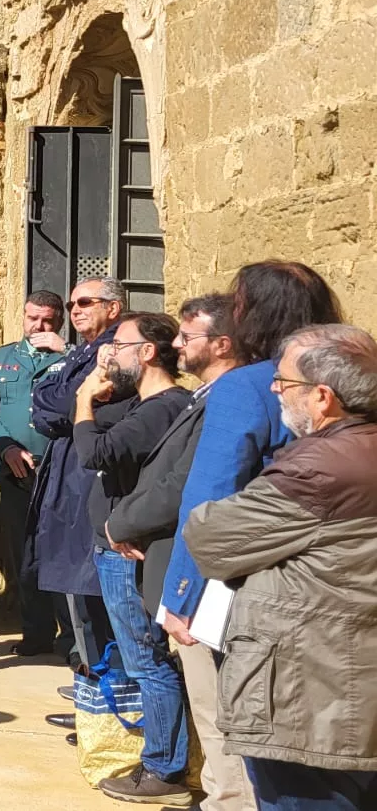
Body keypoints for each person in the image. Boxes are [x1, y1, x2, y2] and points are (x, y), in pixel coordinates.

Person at [162, 263, 339, 805]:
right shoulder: (349, 376)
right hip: (342, 587)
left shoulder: (247, 385)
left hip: (255, 588)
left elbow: (209, 499)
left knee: (235, 731)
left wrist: (180, 596)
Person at [183, 324, 377, 811]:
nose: (274, 390)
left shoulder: (317, 468)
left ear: (323, 397)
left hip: (309, 692)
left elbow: (210, 537)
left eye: (285, 383)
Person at [103, 295, 254, 811]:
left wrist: (119, 522)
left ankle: (227, 799)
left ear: (223, 344)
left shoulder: (227, 399)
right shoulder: (206, 395)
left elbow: (184, 487)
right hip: (186, 573)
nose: (176, 345)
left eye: (187, 338)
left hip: (202, 579)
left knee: (216, 707)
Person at [69, 311, 197, 805]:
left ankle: (164, 769)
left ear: (146, 352)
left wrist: (85, 398)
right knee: (142, 660)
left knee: (146, 662)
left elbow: (93, 453)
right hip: (116, 547)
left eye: (119, 344)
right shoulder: (143, 405)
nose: (109, 355)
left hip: (127, 552)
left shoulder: (161, 408)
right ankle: (158, 758)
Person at [26, 276, 125, 667]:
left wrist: (63, 400)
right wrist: (59, 399)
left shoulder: (113, 348)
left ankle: (103, 699)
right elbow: (46, 397)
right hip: (67, 472)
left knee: (93, 599)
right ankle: (91, 695)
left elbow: (66, 401)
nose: (75, 311)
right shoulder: (82, 352)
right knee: (77, 599)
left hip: (88, 478)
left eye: (85, 302)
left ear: (112, 308)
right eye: (71, 305)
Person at [0, 290, 67, 656]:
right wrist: (5, 447)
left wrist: (66, 351)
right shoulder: (1, 358)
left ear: (59, 321)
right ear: (23, 316)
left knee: (62, 552)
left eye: (46, 320)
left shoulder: (69, 357)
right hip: (16, 471)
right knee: (23, 552)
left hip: (58, 468)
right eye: (32, 318)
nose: (38, 327)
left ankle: (71, 636)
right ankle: (36, 633)